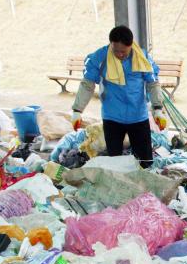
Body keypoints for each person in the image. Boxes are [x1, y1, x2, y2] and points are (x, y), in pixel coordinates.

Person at [71, 25, 166, 168]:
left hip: (138, 116)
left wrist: (157, 108)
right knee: (115, 162)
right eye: (116, 51)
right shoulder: (100, 57)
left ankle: (144, 189)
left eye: (124, 52)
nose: (120, 55)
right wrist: (77, 111)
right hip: (112, 117)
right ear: (111, 44)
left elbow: (152, 83)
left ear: (131, 46)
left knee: (145, 162)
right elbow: (87, 84)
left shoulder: (142, 57)